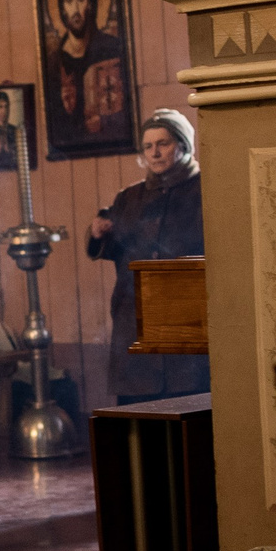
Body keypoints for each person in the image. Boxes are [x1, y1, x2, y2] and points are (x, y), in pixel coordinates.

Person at [88, 107, 207, 401]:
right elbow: (113, 246)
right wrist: (97, 233)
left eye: (163, 144)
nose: (155, 153)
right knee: (141, 417)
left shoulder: (207, 190)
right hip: (135, 325)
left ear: (183, 145)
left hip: (189, 326)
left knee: (193, 410)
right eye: (148, 146)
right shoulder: (129, 198)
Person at [43, 0, 131, 148]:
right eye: (69, 0)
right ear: (62, 9)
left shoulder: (111, 48)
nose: (75, 9)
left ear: (90, 4)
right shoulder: (54, 62)